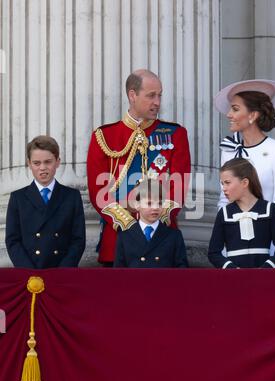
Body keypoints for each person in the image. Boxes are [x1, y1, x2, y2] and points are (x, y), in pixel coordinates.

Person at [87, 69, 191, 265]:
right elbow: (98, 192)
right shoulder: (104, 136)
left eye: (160, 95)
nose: (157, 102)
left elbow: (179, 188)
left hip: (162, 243)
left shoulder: (175, 134)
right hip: (118, 243)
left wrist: (154, 222)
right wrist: (130, 226)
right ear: (132, 95)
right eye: (151, 95)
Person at [215, 79, 275, 221]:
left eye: (235, 109)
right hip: (233, 238)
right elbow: (224, 199)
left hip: (265, 238)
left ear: (252, 115)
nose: (229, 114)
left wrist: (259, 229)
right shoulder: (229, 150)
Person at [5, 135, 86, 268]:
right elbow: (13, 241)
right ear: (29, 164)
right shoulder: (17, 198)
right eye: (37, 163)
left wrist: (63, 271)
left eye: (48, 162)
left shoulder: (72, 197)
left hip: (62, 274)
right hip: (29, 274)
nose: (42, 167)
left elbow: (78, 240)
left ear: (57, 162)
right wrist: (29, 272)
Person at [208, 158, 275, 269]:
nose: (224, 189)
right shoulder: (224, 213)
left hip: (263, 280)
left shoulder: (270, 209)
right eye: (222, 184)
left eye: (227, 183)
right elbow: (213, 253)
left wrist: (267, 268)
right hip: (234, 280)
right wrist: (231, 268)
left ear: (245, 182)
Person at [114, 178, 188, 268]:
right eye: (149, 203)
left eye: (160, 203)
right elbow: (118, 273)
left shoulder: (174, 236)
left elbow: (182, 272)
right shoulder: (125, 236)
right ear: (137, 205)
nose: (155, 208)